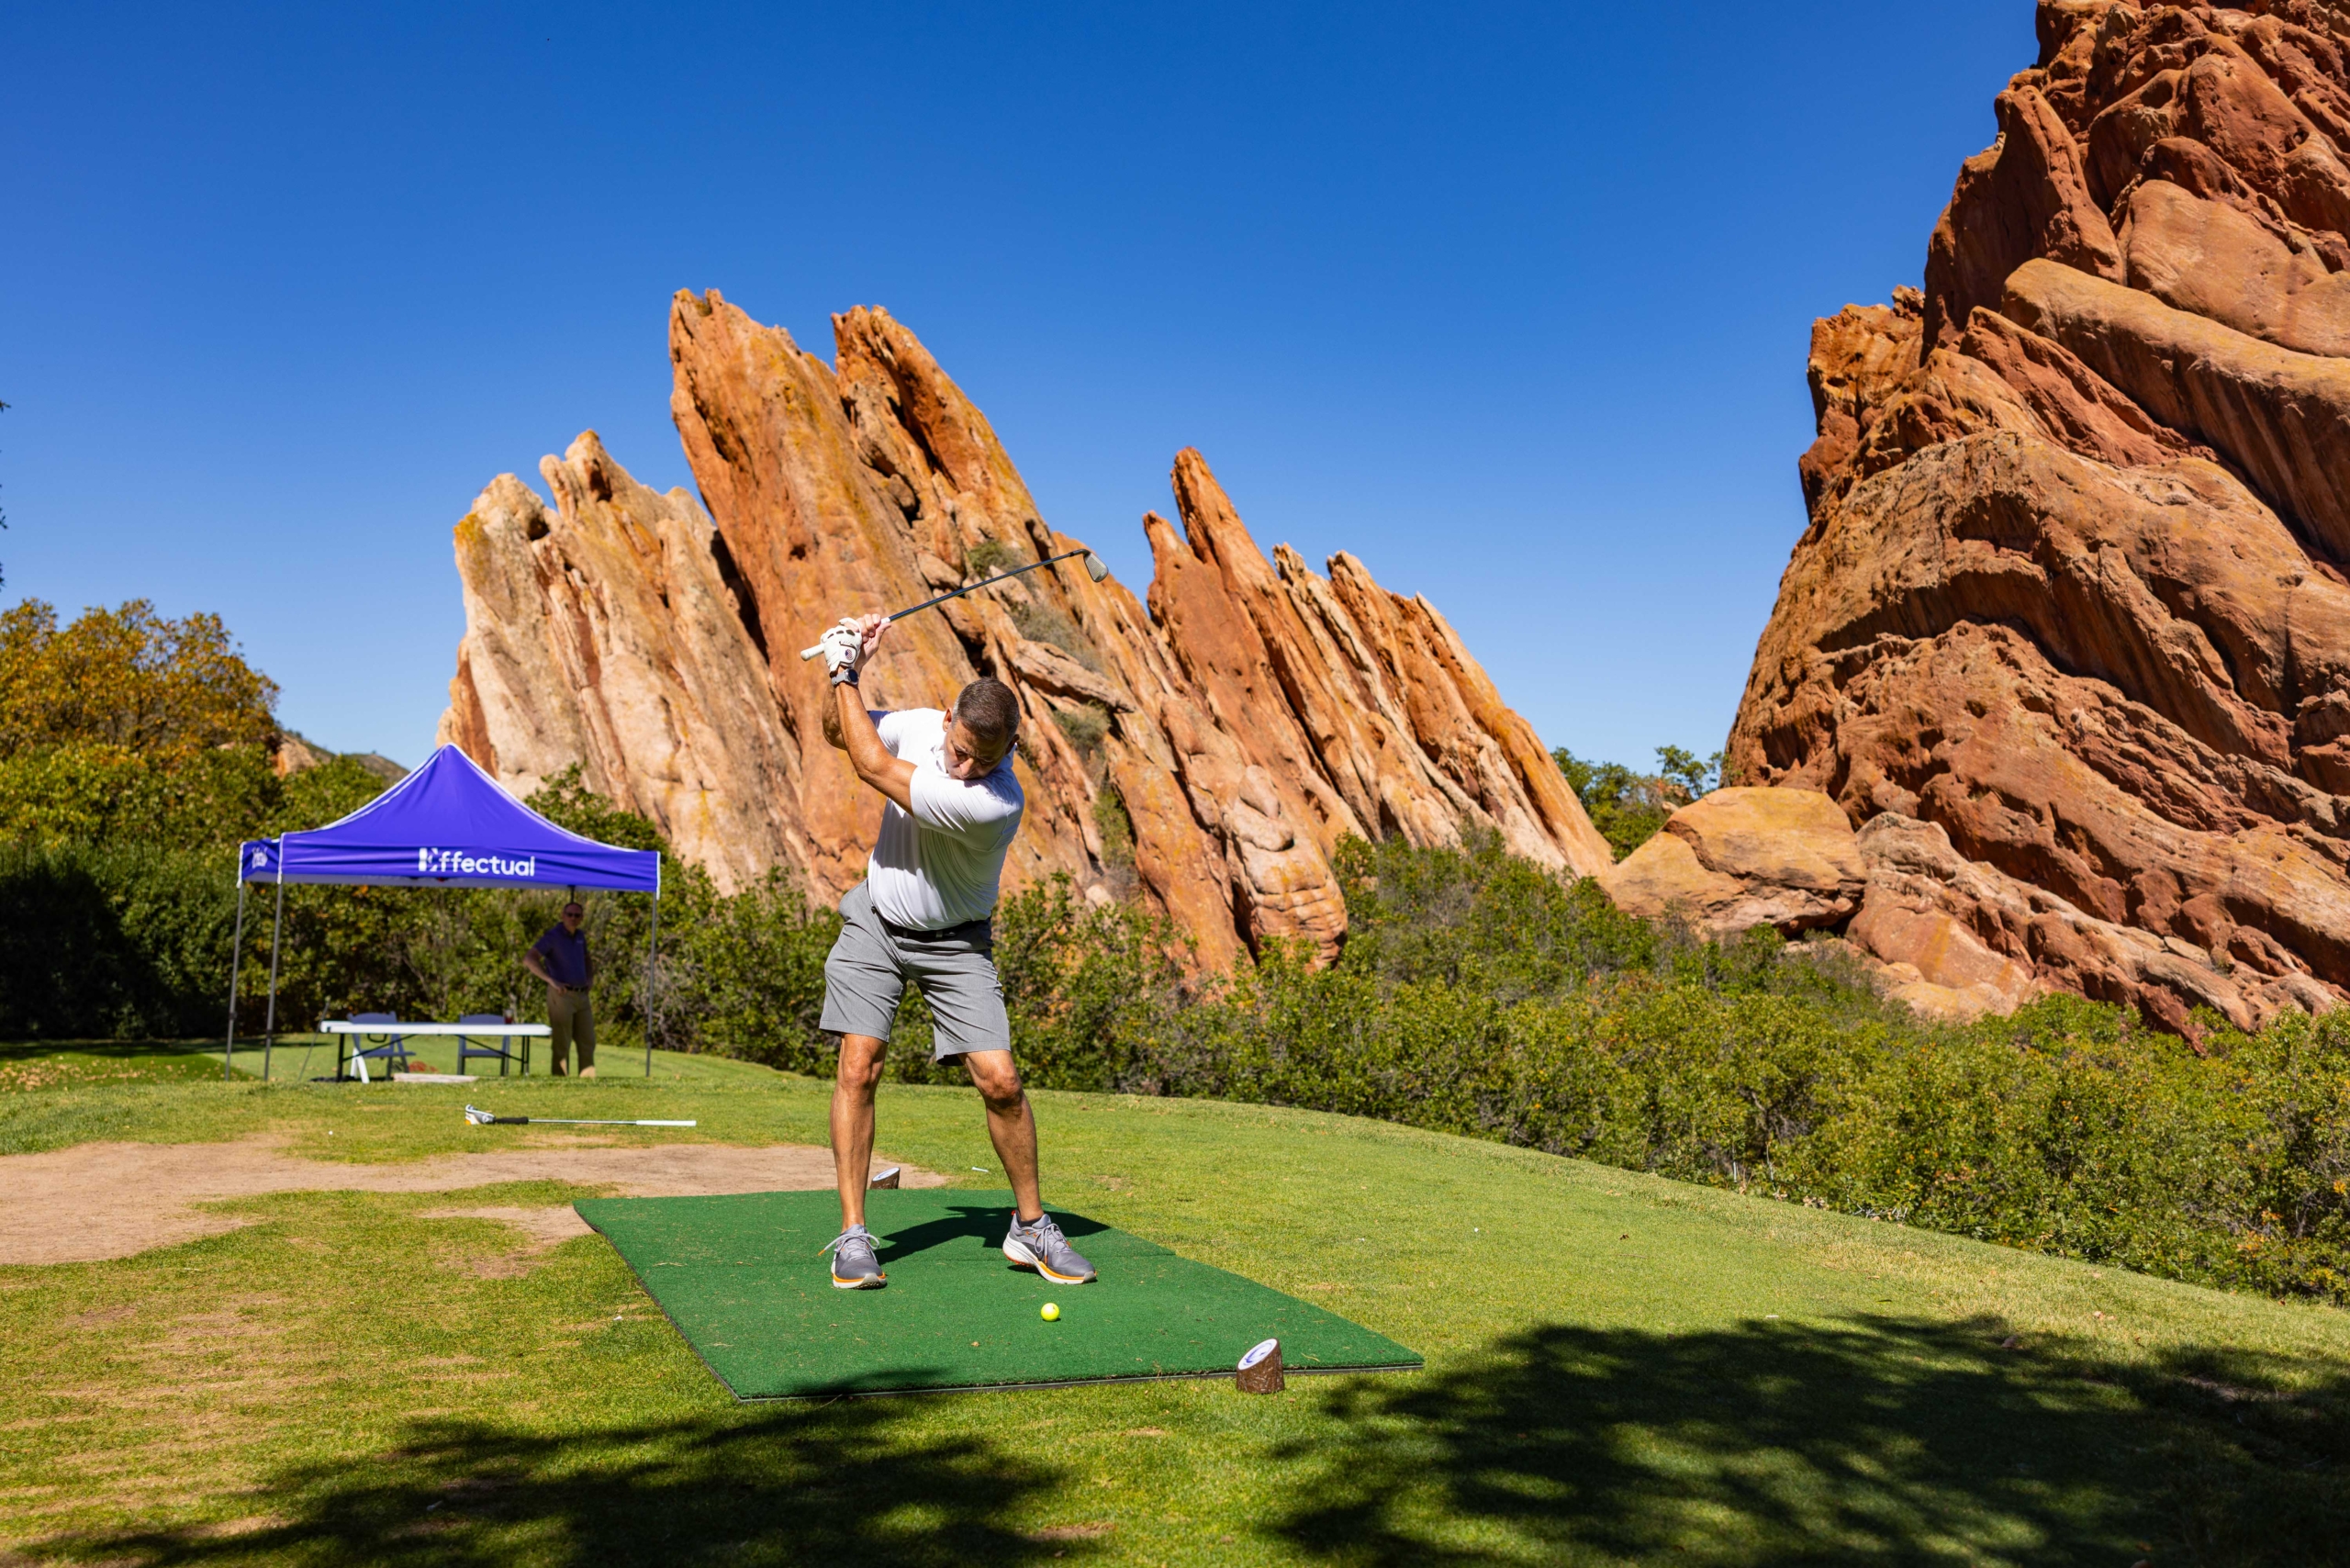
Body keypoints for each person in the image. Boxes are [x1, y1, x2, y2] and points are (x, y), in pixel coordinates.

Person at [811, 611, 1095, 1292]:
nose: (967, 767)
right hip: (877, 921)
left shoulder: (994, 803)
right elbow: (837, 732)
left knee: (1001, 1081)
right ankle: (853, 1235)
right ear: (947, 718)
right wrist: (847, 673)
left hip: (957, 942)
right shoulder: (919, 726)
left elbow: (871, 763)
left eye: (985, 759)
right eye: (961, 750)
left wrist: (844, 669)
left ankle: (1031, 1226)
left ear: (1009, 750)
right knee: (858, 1065)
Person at [522, 901, 596, 1078]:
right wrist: (551, 980)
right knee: (562, 1042)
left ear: (582, 918)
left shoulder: (580, 936)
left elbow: (587, 958)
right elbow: (529, 959)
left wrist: (590, 978)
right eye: (569, 914)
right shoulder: (553, 936)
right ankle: (559, 1080)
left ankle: (587, 1080)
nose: (573, 918)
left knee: (588, 1040)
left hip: (582, 995)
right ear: (562, 916)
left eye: (577, 915)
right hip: (561, 995)